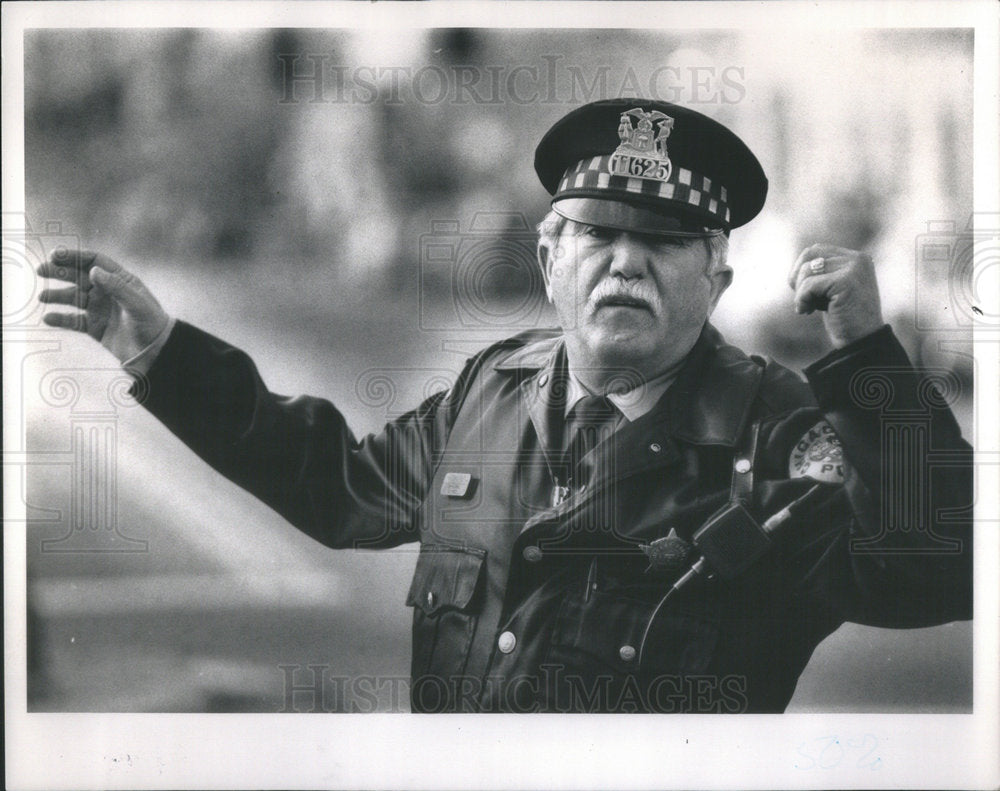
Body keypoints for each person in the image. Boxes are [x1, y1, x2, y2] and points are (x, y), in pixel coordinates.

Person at [37, 98, 972, 713]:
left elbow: (938, 569)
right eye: (599, 233)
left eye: (667, 240)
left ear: (717, 274)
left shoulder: (781, 432)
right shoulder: (494, 386)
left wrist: (869, 362)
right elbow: (336, 486)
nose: (626, 261)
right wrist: (164, 354)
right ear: (548, 262)